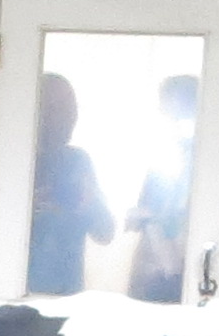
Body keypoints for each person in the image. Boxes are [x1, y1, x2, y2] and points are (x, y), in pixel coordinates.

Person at [27, 71, 111, 294]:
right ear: (37, 111)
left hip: (66, 298)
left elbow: (105, 233)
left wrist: (90, 205)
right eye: (55, 109)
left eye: (70, 109)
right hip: (14, 293)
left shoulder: (78, 161)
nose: (68, 118)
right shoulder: (16, 161)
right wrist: (28, 209)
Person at [124, 71, 198, 302]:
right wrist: (138, 217)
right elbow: (137, 219)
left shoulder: (207, 170)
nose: (174, 125)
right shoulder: (159, 167)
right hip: (147, 275)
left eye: (180, 117)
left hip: (182, 279)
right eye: (167, 115)